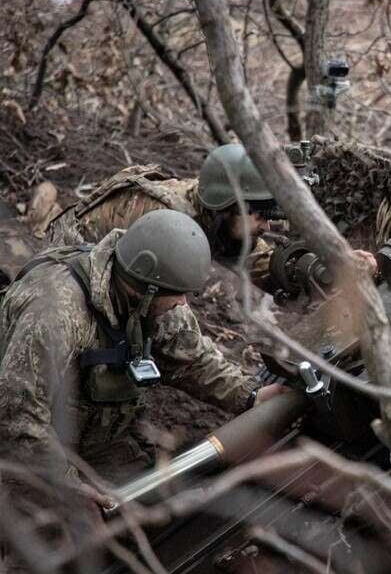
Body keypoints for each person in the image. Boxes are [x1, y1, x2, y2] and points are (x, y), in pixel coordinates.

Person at [0, 210, 281, 520]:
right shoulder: (55, 314)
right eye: (178, 296)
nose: (183, 304)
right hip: (26, 449)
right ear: (145, 288)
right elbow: (18, 419)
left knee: (151, 516)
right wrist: (69, 485)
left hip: (100, 436)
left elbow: (193, 360)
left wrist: (250, 395)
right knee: (46, 542)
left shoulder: (156, 295)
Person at [46, 143, 377, 286]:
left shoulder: (213, 210)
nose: (267, 225)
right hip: (62, 274)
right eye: (260, 214)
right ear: (228, 207)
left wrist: (333, 264)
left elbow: (260, 262)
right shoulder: (167, 226)